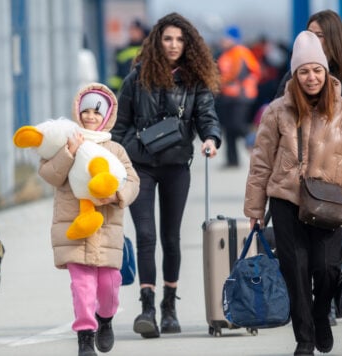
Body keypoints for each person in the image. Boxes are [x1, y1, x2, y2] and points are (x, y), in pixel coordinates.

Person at [244, 31, 342, 355]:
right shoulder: (277, 111)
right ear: (295, 74)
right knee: (296, 271)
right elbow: (260, 163)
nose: (311, 77)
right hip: (287, 199)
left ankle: (320, 316)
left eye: (316, 70)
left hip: (329, 201)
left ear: (326, 72)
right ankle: (304, 339)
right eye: (304, 71)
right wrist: (255, 210)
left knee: (328, 267)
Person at [110, 12, 222, 338]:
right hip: (139, 167)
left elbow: (206, 116)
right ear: (158, 41)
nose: (173, 45)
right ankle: (147, 307)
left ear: (188, 44)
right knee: (146, 236)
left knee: (171, 238)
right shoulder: (137, 78)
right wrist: (121, 154)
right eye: (168, 39)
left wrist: (211, 140)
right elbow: (120, 126)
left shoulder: (194, 81)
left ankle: (169, 307)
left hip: (176, 166)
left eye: (179, 39)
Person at [274, 10, 342, 324]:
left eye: (320, 34)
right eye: (310, 33)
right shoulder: (295, 74)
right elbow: (275, 121)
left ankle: (330, 298)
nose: (313, 39)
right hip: (305, 174)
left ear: (334, 37)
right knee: (306, 238)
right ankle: (310, 294)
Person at [36, 83, 139, 356]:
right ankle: (84, 336)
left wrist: (117, 195)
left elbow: (133, 182)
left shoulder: (115, 149)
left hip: (107, 230)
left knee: (109, 285)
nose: (90, 117)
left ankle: (105, 319)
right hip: (73, 227)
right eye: (85, 112)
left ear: (106, 116)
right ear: (77, 113)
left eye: (97, 112)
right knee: (81, 286)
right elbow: (50, 175)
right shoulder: (64, 143)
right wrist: (69, 152)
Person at [215, 25, 261, 167]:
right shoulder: (226, 53)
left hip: (241, 96)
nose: (222, 40)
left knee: (237, 125)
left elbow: (236, 73)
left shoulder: (239, 52)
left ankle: (256, 141)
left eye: (225, 38)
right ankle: (232, 160)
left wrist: (220, 83)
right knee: (229, 129)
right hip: (229, 96)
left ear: (233, 39)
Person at [108, 19, 148, 92]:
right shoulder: (121, 52)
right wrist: (112, 91)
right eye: (131, 30)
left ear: (141, 32)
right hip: (125, 92)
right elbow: (117, 75)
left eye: (136, 30)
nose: (133, 32)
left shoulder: (148, 51)